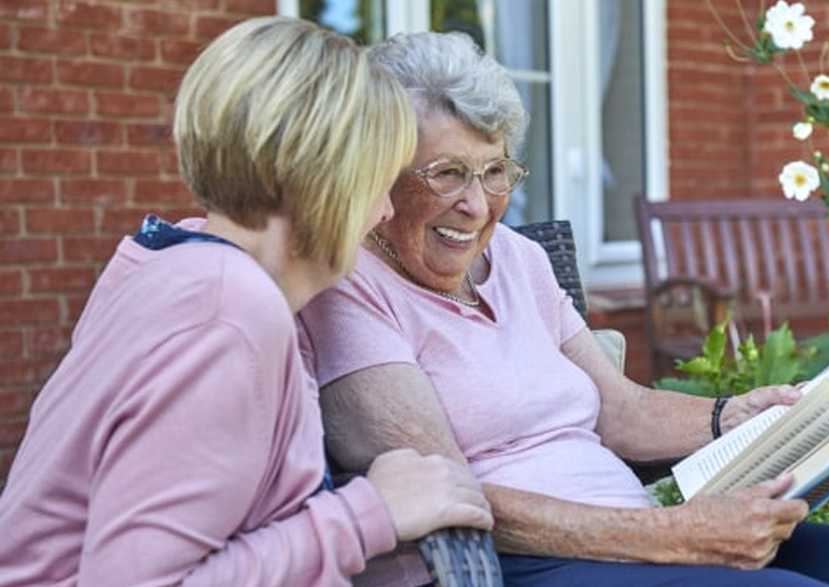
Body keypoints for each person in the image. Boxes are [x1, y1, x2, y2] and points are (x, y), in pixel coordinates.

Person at [297, 31, 829, 587]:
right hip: (513, 558)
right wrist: (674, 534)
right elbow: (447, 491)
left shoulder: (520, 259)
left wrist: (730, 417)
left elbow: (620, 408)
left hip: (635, 532)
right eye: (445, 173)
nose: (477, 204)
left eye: (494, 171)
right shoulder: (350, 283)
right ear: (379, 172)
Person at [0, 18, 492, 586]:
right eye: (377, 180)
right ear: (321, 178)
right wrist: (370, 515)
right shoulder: (226, 313)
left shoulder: (175, 264)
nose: (384, 210)